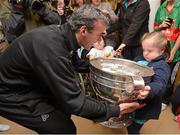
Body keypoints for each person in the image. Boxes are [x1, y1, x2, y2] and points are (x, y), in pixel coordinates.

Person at [0, 5, 141, 134]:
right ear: (83, 30)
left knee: (63, 111)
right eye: (99, 35)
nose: (99, 40)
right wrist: (116, 109)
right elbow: (75, 102)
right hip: (10, 93)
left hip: (30, 82)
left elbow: (77, 64)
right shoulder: (52, 49)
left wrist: (104, 65)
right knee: (62, 129)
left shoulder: (63, 34)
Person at [127, 31, 171, 134]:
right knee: (129, 119)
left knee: (134, 126)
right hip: (133, 100)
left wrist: (149, 89)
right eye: (143, 50)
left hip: (146, 106)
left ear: (161, 50)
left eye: (150, 51)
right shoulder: (140, 59)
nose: (145, 53)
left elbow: (160, 84)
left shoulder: (162, 66)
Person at [154, 0, 180, 110]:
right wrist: (161, 26)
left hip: (175, 50)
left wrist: (173, 52)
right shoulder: (161, 8)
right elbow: (155, 29)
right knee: (159, 73)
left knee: (170, 77)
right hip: (161, 49)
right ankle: (156, 98)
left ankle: (165, 100)